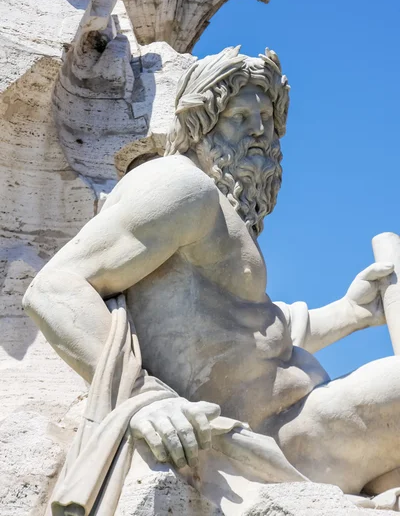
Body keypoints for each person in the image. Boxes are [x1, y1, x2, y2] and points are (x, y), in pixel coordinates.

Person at [23, 46, 400, 505]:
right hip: (271, 439)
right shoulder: (179, 188)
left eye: (268, 120)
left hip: (306, 425)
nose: (260, 133)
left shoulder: (225, 217)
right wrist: (144, 398)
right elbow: (54, 288)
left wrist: (349, 314)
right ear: (200, 124)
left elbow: (248, 333)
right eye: (241, 117)